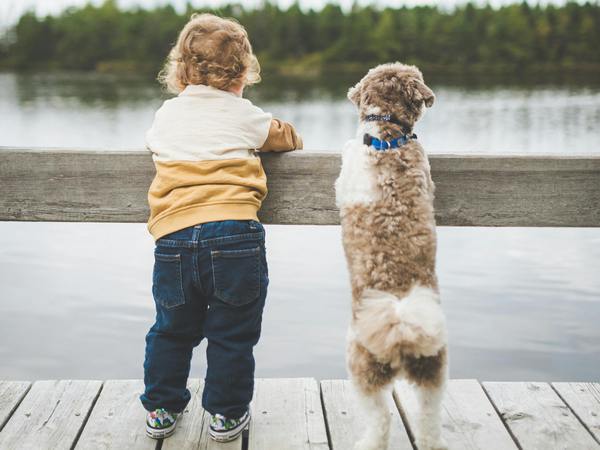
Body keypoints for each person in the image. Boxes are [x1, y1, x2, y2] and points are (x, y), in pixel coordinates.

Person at [140, 13, 302, 443]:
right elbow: (286, 138)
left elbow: (153, 142)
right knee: (232, 335)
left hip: (173, 238)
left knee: (171, 329)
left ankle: (161, 407)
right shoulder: (244, 114)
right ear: (244, 73)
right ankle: (227, 417)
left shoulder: (166, 115)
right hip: (234, 236)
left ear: (179, 72)